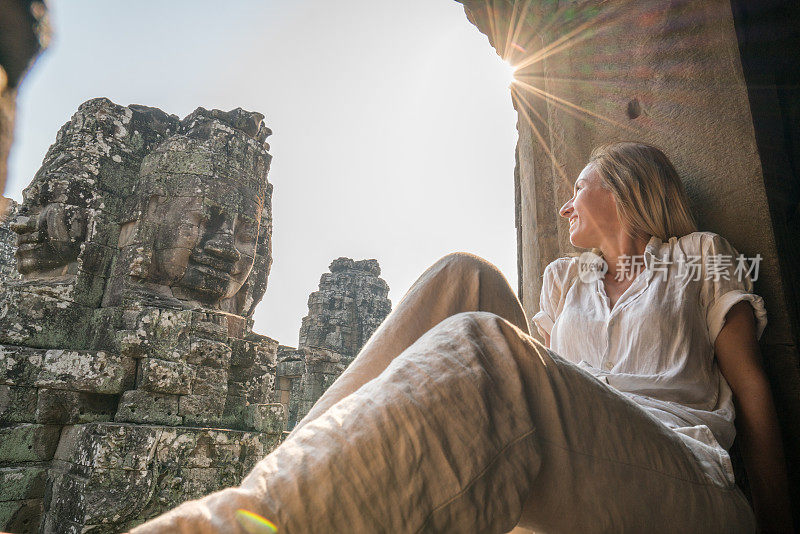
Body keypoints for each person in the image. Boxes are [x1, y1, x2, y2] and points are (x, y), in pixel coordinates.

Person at [130, 142, 793, 533]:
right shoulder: (565, 280)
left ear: (623, 189)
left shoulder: (701, 255)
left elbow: (752, 388)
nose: (565, 206)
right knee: (462, 276)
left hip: (680, 469)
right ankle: (266, 496)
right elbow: (546, 376)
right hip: (579, 445)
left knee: (491, 353)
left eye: (579, 189)